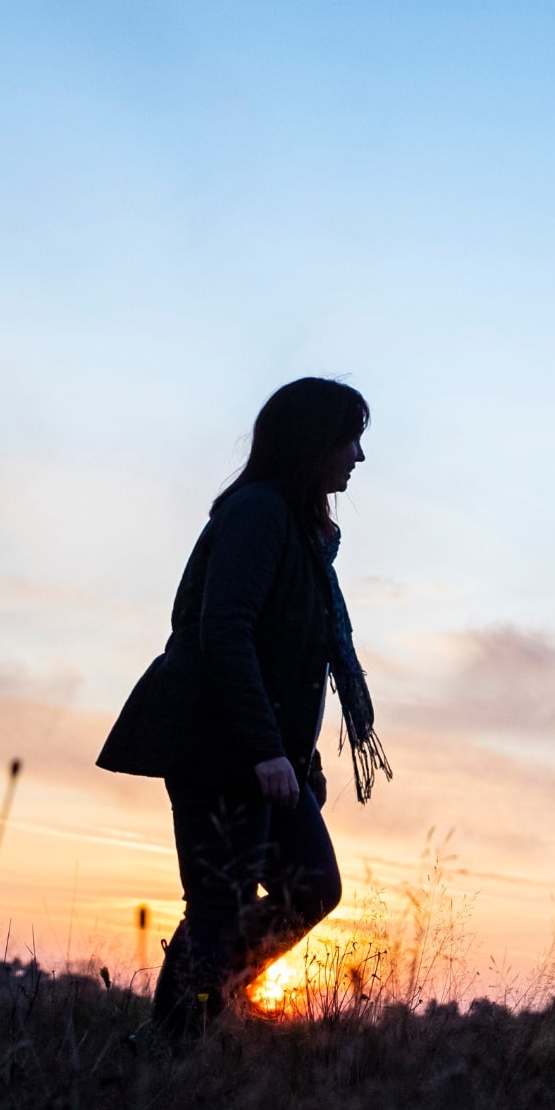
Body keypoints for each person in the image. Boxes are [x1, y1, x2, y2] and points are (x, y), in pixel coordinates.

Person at [97, 377, 392, 1033]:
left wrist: (293, 753)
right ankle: (175, 1050)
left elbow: (288, 659)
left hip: (265, 752)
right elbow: (223, 629)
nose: (359, 458)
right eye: (350, 440)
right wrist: (265, 750)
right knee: (218, 911)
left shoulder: (302, 534)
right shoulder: (257, 512)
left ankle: (206, 1005)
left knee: (310, 888)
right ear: (313, 443)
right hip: (219, 747)